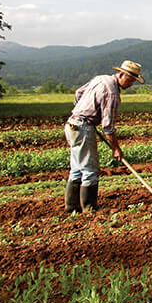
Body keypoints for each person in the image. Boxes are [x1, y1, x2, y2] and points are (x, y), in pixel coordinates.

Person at [63, 60, 144, 212]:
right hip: (83, 128)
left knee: (77, 168)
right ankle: (89, 208)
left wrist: (81, 111)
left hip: (71, 124)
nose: (131, 84)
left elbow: (78, 93)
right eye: (130, 80)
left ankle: (72, 207)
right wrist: (116, 149)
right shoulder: (113, 93)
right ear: (121, 74)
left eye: (134, 81)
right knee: (90, 170)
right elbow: (108, 127)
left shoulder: (100, 78)